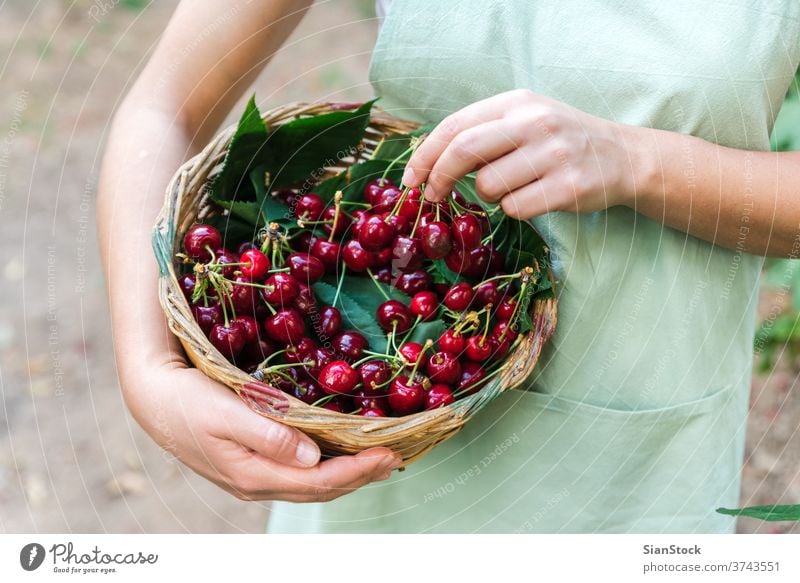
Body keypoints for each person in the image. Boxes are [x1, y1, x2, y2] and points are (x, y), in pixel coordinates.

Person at [97, 0, 800, 533]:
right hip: (384, 435)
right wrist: (148, 372)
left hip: (634, 469)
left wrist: (636, 162)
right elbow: (163, 106)